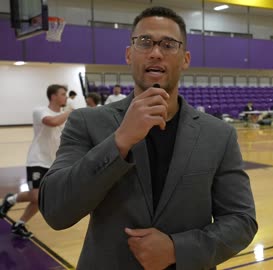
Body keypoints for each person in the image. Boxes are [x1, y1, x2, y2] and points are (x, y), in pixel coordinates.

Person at [38, 6, 257, 270]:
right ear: (129, 54)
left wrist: (178, 249)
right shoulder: (87, 122)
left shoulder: (219, 135)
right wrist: (119, 141)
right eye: (145, 42)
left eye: (168, 44)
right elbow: (55, 211)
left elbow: (241, 220)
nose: (155, 52)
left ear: (185, 58)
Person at [0, 84, 71, 238]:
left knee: (40, 198)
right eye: (63, 94)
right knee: (36, 196)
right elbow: (52, 122)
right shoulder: (40, 111)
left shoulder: (65, 116)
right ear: (53, 96)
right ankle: (12, 199)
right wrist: (70, 113)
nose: (65, 96)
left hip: (54, 162)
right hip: (38, 159)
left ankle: (19, 223)